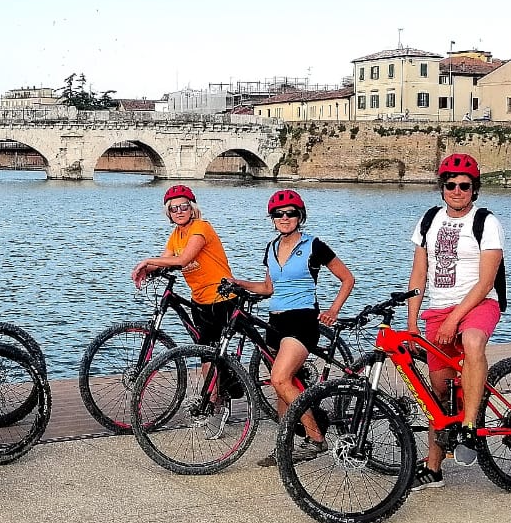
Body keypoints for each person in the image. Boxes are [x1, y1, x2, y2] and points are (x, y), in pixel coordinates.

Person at [406, 152, 504, 489]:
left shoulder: (486, 222)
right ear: (442, 188)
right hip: (438, 310)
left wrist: (455, 320)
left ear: (475, 188)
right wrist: (412, 322)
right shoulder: (429, 220)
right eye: (451, 185)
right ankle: (433, 468)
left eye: (465, 185)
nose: (457, 191)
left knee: (473, 341)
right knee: (439, 392)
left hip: (478, 304)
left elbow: (486, 282)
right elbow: (419, 274)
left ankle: (470, 426)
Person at [241, 189, 354, 466]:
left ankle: (316, 438)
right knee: (282, 389)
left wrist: (333, 310)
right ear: (272, 218)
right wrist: (238, 283)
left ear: (300, 216)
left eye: (290, 213)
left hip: (302, 320)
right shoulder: (271, 248)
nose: (284, 217)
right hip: (275, 322)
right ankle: (285, 446)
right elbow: (268, 288)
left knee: (280, 379)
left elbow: (347, 279)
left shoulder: (314, 245)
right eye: (278, 214)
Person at [130, 184, 236, 346]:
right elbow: (164, 260)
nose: (179, 212)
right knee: (204, 350)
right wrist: (145, 269)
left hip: (221, 297)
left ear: (192, 209)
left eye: (184, 207)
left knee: (211, 351)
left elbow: (182, 260)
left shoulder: (201, 227)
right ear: (169, 213)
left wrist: (148, 260)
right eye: (173, 209)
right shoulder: (176, 234)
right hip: (199, 299)